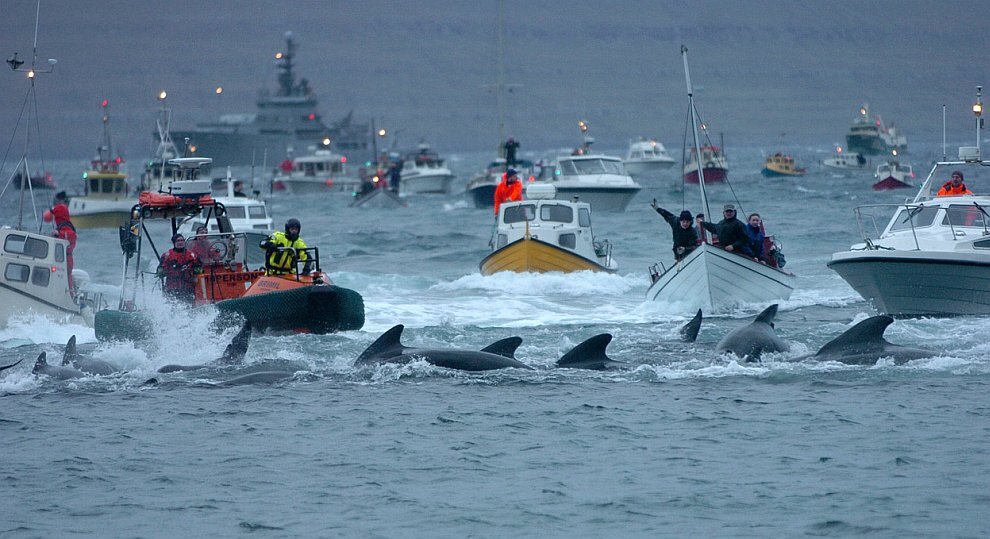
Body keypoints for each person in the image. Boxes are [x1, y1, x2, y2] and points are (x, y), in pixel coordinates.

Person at [43, 191, 77, 291]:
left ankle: (70, 294)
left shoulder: (67, 229)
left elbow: (71, 237)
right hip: (58, 260)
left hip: (66, 261)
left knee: (67, 280)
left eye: (56, 216)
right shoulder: (61, 227)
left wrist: (59, 235)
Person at [158, 233, 200, 303]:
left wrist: (196, 270)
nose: (180, 242)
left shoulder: (192, 255)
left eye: (182, 240)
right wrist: (161, 271)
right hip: (172, 287)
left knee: (189, 305)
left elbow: (199, 267)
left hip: (188, 287)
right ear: (174, 242)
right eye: (178, 241)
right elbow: (161, 268)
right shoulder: (167, 255)